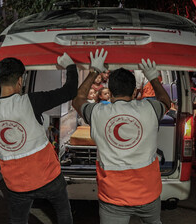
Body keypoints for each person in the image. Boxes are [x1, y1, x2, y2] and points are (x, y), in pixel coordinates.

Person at [72, 49, 171, 224]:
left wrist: (94, 70)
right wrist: (153, 77)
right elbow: (165, 101)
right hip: (148, 193)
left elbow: (78, 99)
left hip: (113, 196)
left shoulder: (97, 113)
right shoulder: (150, 109)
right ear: (134, 92)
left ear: (109, 92)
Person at [0, 53, 78, 224]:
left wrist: (1, 78)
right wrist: (70, 66)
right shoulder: (31, 102)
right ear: (21, 80)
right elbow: (70, 91)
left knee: (18, 220)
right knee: (63, 213)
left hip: (16, 183)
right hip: (48, 177)